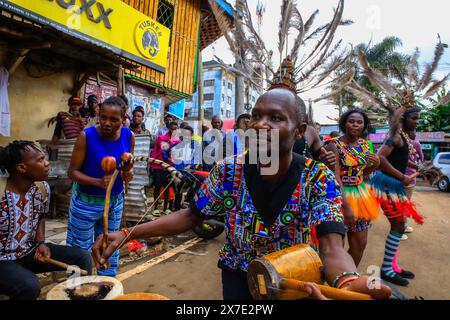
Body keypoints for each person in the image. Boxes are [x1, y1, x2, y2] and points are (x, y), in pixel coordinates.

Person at [91, 87, 391, 300]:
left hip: (294, 278)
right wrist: (128, 234)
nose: (261, 124)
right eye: (257, 116)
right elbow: (191, 215)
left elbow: (332, 246)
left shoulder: (317, 177)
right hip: (237, 273)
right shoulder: (228, 171)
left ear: (300, 131)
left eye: (275, 118)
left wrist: (346, 281)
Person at [0, 141, 92, 300]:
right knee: (29, 285)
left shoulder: (41, 188)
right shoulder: (1, 193)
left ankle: (76, 297)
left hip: (28, 253)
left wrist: (40, 243)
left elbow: (41, 216)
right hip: (1, 260)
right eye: (40, 160)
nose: (47, 163)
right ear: (22, 168)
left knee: (81, 258)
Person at [66, 96, 134, 277]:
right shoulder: (86, 136)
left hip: (114, 203)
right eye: (103, 117)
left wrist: (128, 174)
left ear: (124, 118)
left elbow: (127, 164)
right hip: (85, 204)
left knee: (110, 245)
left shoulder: (129, 136)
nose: (107, 123)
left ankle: (107, 286)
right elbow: (72, 172)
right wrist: (97, 182)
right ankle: (74, 288)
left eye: (114, 119)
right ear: (98, 115)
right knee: (78, 250)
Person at [370, 107, 423, 286]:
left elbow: (398, 158)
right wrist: (402, 176)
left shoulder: (404, 137)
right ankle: (386, 270)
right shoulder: (396, 137)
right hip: (386, 184)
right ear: (403, 119)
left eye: (418, 118)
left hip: (393, 185)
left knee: (399, 225)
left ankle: (392, 266)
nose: (417, 121)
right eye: (414, 118)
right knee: (399, 224)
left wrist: (415, 167)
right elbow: (380, 158)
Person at [325, 109, 381, 266]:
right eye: (351, 121)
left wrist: (375, 164)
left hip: (361, 195)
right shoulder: (334, 145)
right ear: (344, 123)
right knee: (337, 247)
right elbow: (335, 177)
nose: (355, 124)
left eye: (359, 122)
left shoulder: (366, 145)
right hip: (338, 195)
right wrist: (346, 205)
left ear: (364, 126)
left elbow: (365, 174)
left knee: (360, 245)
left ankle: (350, 277)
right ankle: (336, 280)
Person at [150, 121, 180, 215]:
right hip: (159, 165)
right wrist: (152, 164)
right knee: (158, 186)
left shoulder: (178, 141)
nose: (174, 131)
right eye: (172, 128)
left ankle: (165, 208)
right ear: (169, 129)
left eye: (176, 129)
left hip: (170, 167)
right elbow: (155, 151)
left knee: (167, 187)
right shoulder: (161, 138)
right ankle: (155, 208)